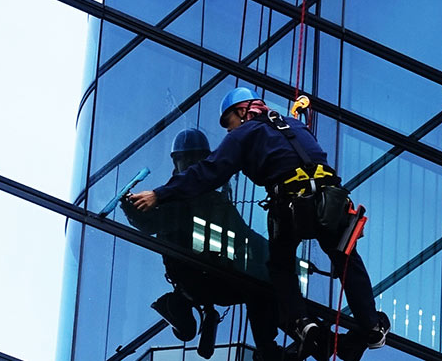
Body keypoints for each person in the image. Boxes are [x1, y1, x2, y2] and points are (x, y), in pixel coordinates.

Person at [128, 88, 388, 361]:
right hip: (331, 201)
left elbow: (209, 171)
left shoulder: (244, 134)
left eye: (229, 124)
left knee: (279, 266)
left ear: (242, 111)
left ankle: (303, 324)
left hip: (290, 204)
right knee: (347, 261)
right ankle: (371, 326)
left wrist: (159, 194)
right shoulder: (296, 125)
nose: (229, 132)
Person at [124, 128, 282, 360]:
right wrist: (131, 208)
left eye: (196, 159)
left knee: (259, 291)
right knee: (254, 290)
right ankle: (182, 306)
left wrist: (276, 253)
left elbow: (243, 235)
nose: (190, 164)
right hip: (192, 275)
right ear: (175, 162)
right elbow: (151, 225)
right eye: (186, 158)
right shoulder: (172, 199)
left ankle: (267, 347)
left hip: (216, 272)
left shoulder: (215, 201)